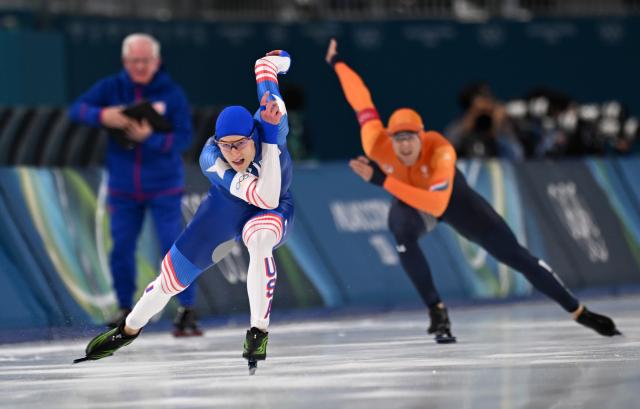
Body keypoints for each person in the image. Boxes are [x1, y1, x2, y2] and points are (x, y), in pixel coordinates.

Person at [325, 38, 621, 343]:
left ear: (421, 136)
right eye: (398, 139)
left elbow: (438, 204)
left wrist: (383, 181)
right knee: (400, 230)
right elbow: (361, 99)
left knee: (516, 257)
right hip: (412, 202)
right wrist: (338, 63)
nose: (403, 145)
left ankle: (578, 311)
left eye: (409, 138)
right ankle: (436, 311)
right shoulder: (376, 142)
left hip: (454, 201)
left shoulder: (440, 149)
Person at [74, 49, 293, 374]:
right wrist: (270, 142)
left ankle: (258, 332)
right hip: (227, 207)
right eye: (226, 145)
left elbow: (267, 65)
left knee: (259, 239)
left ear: (254, 135)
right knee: (169, 281)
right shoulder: (211, 159)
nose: (233, 153)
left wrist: (272, 131)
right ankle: (127, 330)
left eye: (240, 145)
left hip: (273, 207)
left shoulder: (274, 118)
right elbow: (261, 193)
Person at [68, 33, 201, 336]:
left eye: (145, 61)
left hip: (164, 184)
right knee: (121, 248)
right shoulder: (111, 88)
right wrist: (103, 114)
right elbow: (76, 110)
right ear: (125, 62)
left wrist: (149, 138)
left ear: (157, 62)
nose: (139, 66)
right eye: (134, 61)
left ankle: (187, 307)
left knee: (172, 245)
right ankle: (124, 307)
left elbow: (184, 137)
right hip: (124, 186)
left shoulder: (171, 93)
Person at [445, 82, 524, 160]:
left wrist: (498, 125)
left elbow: (517, 155)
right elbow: (447, 154)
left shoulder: (503, 126)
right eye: (484, 97)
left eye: (489, 96)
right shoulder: (456, 128)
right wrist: (469, 122)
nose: (489, 100)